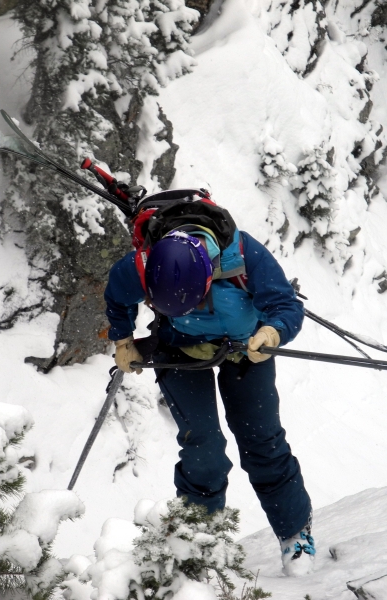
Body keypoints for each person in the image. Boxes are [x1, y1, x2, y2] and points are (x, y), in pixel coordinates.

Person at [103, 207, 316, 576]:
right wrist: (123, 339)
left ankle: (295, 532)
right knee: (203, 448)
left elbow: (285, 305)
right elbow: (118, 296)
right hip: (178, 348)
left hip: (246, 348)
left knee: (262, 441)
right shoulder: (140, 264)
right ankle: (198, 543)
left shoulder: (245, 255)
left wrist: (272, 331)